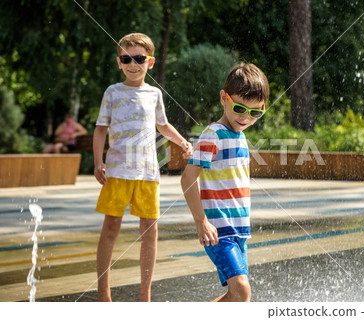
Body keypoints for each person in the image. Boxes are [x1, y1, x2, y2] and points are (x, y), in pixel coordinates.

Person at [93, 32, 192, 302]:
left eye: (139, 58)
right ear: (119, 62)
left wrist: (183, 142)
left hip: (148, 173)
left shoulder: (155, 94)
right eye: (127, 58)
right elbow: (100, 129)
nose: (133, 64)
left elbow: (163, 125)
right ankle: (104, 293)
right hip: (117, 172)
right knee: (111, 227)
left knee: (150, 231)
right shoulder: (112, 92)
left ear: (150, 62)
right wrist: (98, 161)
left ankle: (145, 296)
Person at [181, 63, 269, 302]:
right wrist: (201, 222)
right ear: (224, 98)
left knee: (237, 296)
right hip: (219, 230)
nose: (245, 117)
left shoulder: (240, 136)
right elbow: (188, 177)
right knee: (242, 291)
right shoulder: (214, 134)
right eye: (240, 108)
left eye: (255, 113)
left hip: (239, 229)